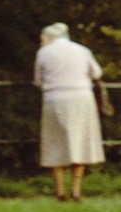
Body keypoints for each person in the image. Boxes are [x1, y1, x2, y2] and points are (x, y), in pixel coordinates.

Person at [34, 22, 108, 201]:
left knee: (55, 143)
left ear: (50, 37)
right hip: (81, 98)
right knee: (80, 142)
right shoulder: (82, 50)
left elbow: (38, 80)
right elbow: (97, 73)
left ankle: (59, 189)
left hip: (55, 99)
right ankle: (76, 190)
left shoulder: (43, 53)